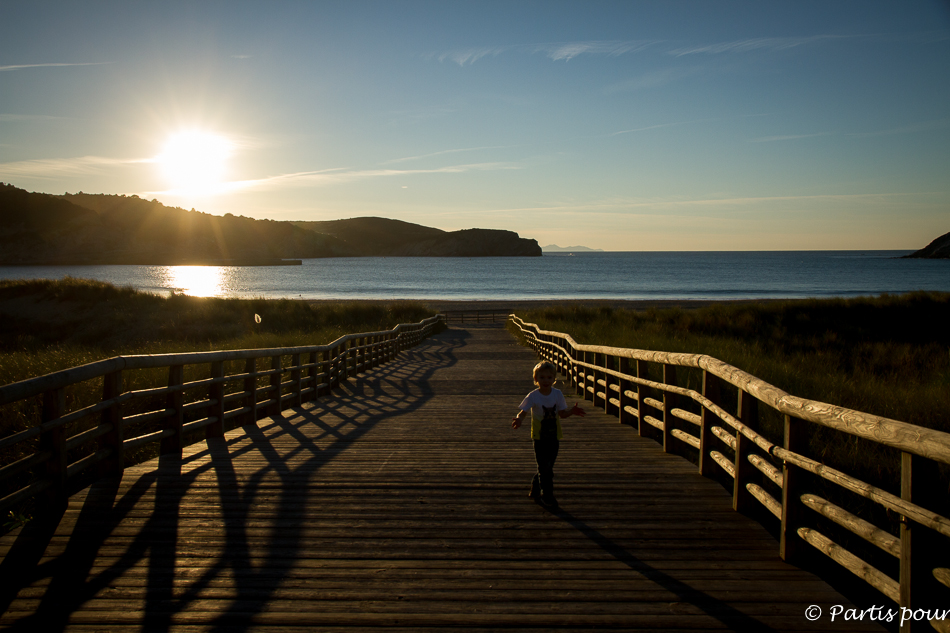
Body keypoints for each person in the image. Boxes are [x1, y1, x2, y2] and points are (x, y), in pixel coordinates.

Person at [511, 360, 585, 508]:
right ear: (536, 379)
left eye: (549, 377)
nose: (546, 380)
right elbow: (523, 412)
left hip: (554, 435)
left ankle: (536, 484)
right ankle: (548, 495)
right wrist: (519, 419)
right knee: (544, 466)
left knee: (548, 466)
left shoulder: (557, 394)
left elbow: (562, 414)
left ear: (554, 379)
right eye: (542, 377)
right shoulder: (533, 396)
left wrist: (572, 411)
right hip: (539, 436)